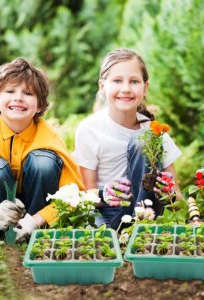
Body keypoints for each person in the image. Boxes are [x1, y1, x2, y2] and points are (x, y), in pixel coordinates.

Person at [0, 58, 84, 244]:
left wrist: (36, 220)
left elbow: (72, 193)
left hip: (36, 212)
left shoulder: (49, 137)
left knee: (44, 162)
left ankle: (34, 235)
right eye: (10, 91)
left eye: (28, 93)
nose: (18, 97)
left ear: (39, 105)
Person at [72, 48, 182, 230]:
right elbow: (85, 196)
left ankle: (140, 228)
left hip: (147, 213)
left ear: (145, 87)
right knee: (97, 240)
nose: (126, 89)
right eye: (117, 81)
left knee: (145, 139)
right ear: (102, 86)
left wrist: (167, 194)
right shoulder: (89, 129)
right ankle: (123, 236)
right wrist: (104, 195)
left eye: (134, 81)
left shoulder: (154, 130)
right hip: (108, 212)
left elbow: (177, 199)